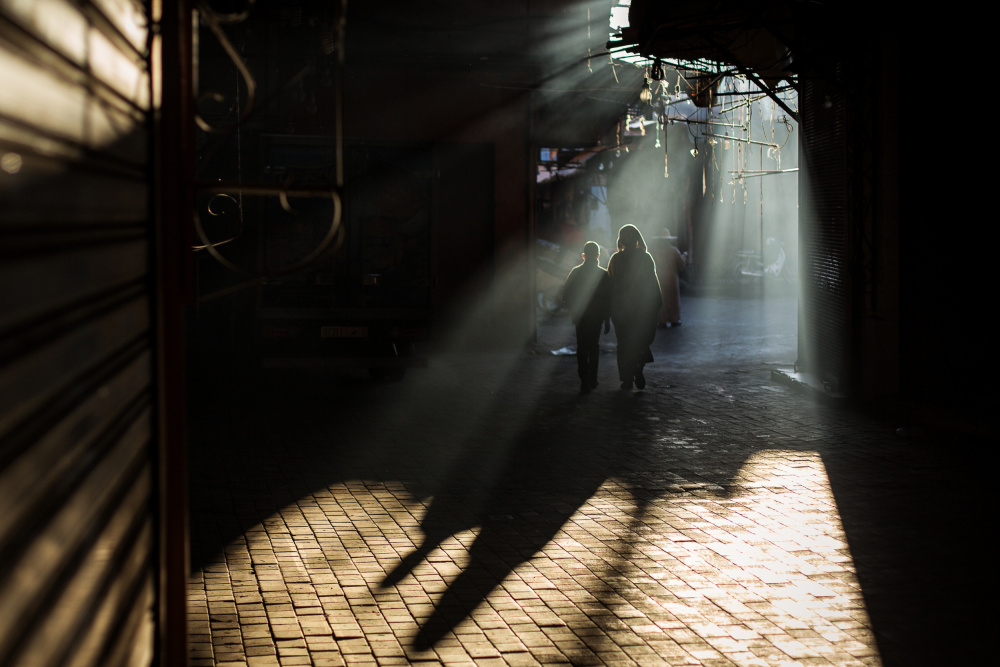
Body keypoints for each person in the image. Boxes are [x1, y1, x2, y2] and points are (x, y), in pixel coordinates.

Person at [607, 224, 662, 390]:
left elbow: (609, 284)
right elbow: (653, 284)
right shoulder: (645, 258)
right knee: (640, 342)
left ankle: (626, 379)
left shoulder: (616, 259)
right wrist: (656, 305)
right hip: (642, 310)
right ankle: (638, 368)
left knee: (623, 345)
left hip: (621, 311)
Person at [562, 241, 611, 393]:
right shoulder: (603, 274)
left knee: (582, 347)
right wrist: (607, 320)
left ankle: (584, 380)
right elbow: (609, 299)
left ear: (583, 255)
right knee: (593, 347)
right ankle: (593, 379)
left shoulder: (575, 272)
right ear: (598, 255)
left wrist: (572, 311)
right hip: (597, 317)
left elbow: (566, 295)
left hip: (581, 316)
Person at [655, 229, 687, 327]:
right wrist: (684, 255)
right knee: (673, 299)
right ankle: (674, 319)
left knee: (662, 300)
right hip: (671, 278)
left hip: (660, 278)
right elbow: (681, 264)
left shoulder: (655, 251)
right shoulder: (673, 250)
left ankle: (663, 320)